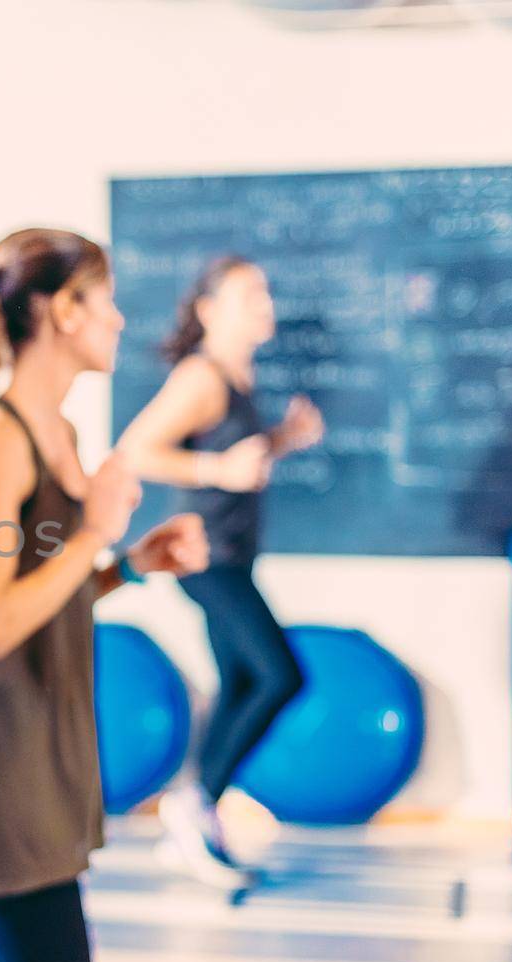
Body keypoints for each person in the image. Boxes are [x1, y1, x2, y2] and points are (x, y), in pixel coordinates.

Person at [0, 229, 208, 962]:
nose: (120, 319)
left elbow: (49, 597)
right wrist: (99, 533)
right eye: (104, 298)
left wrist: (128, 563)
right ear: (60, 310)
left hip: (41, 748)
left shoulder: (61, 436)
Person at [117, 255, 325, 887]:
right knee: (280, 676)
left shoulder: (237, 374)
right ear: (209, 310)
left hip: (232, 556)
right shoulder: (201, 377)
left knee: (240, 684)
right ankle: (193, 803)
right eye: (248, 294)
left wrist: (285, 438)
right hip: (206, 559)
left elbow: (239, 456)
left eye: (265, 292)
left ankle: (195, 818)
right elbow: (136, 450)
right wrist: (215, 472)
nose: (265, 304)